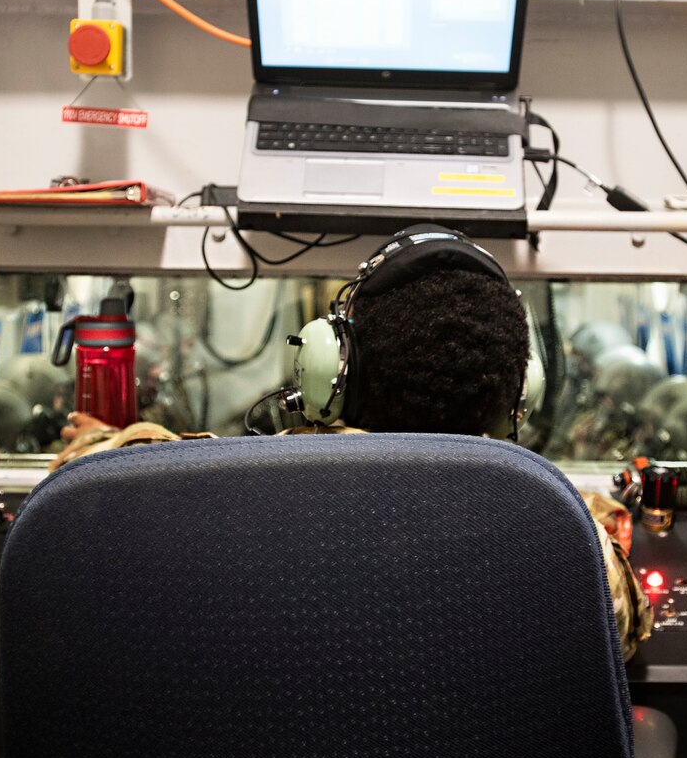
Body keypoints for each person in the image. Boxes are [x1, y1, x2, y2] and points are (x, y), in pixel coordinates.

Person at [51, 226, 654, 660]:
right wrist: (588, 511)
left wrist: (104, 438)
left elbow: (96, 487)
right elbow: (624, 622)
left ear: (332, 368)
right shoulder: (556, 535)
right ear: (521, 392)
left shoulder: (226, 494)